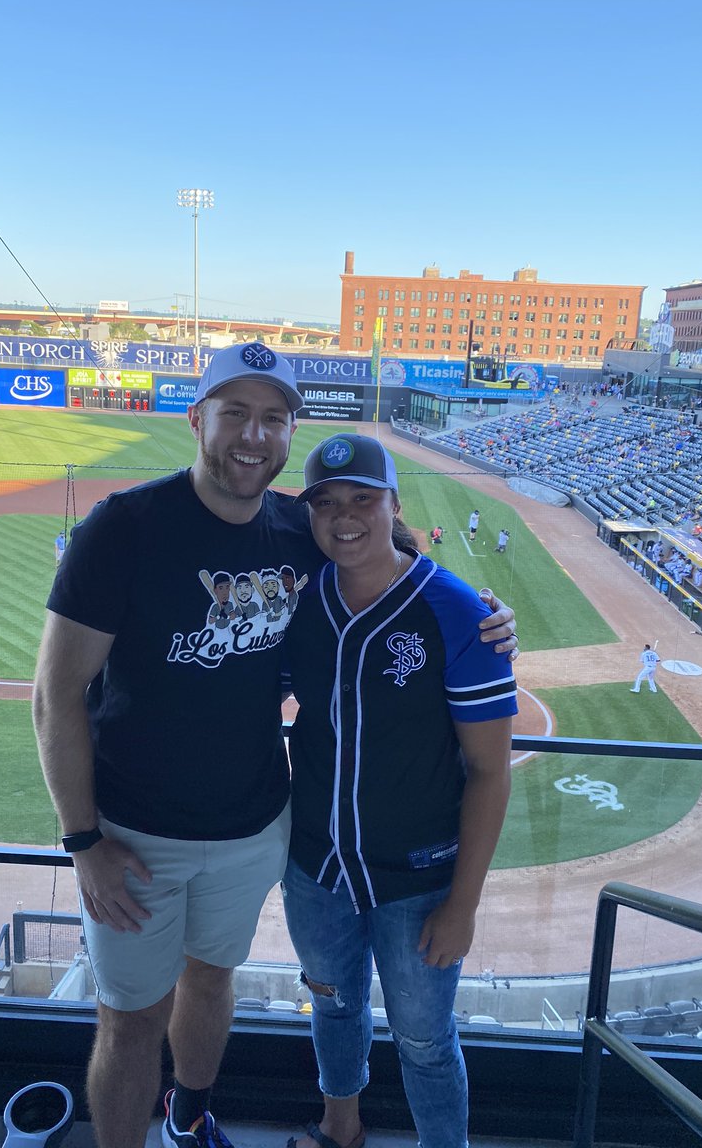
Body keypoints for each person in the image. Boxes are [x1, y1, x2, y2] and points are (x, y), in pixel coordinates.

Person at [31, 343, 519, 1148]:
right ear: (197, 419)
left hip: (258, 829)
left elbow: (388, 556)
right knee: (130, 1018)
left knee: (213, 983)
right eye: (235, 413)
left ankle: (190, 1117)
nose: (253, 436)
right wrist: (82, 840)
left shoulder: (299, 529)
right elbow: (55, 697)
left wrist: (476, 611)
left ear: (289, 431)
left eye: (272, 418)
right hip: (136, 836)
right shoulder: (125, 527)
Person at [282, 434, 517, 1148]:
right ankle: (339, 1128)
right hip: (317, 870)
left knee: (423, 1038)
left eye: (363, 499)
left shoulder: (455, 611)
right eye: (326, 503)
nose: (344, 516)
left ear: (394, 505)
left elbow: (488, 770)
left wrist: (463, 905)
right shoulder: (299, 601)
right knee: (332, 1008)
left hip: (419, 883)